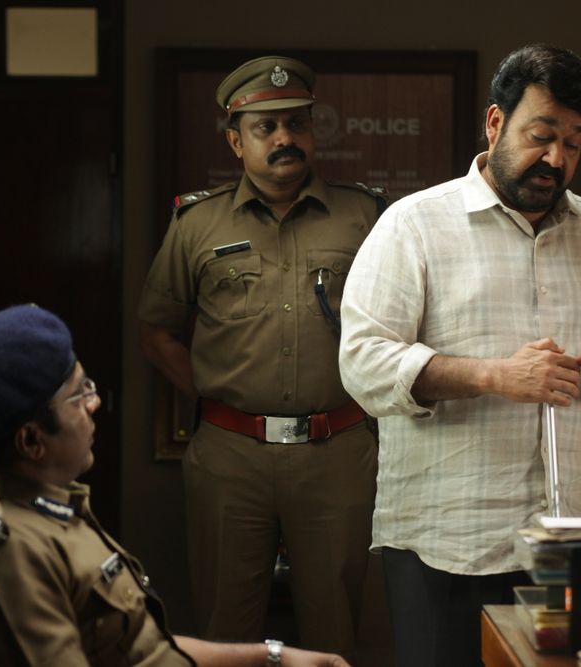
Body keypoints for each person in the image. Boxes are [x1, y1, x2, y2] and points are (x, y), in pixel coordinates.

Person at [337, 44, 581, 666]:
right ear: (495, 123)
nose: (556, 159)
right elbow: (362, 362)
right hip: (446, 541)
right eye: (541, 136)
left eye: (574, 143)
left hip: (563, 542)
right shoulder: (414, 224)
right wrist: (495, 375)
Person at [0, 304, 350, 667]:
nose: (95, 402)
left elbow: (140, 649)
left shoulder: (42, 503)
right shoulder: (2, 553)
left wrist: (272, 658)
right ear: (31, 441)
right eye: (79, 395)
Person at [137, 56, 385, 659]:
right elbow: (157, 331)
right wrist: (214, 394)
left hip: (338, 449)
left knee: (339, 624)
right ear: (235, 141)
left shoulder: (366, 216)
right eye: (265, 128)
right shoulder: (197, 223)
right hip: (231, 455)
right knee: (226, 625)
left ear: (312, 130)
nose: (283, 139)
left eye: (296, 124)